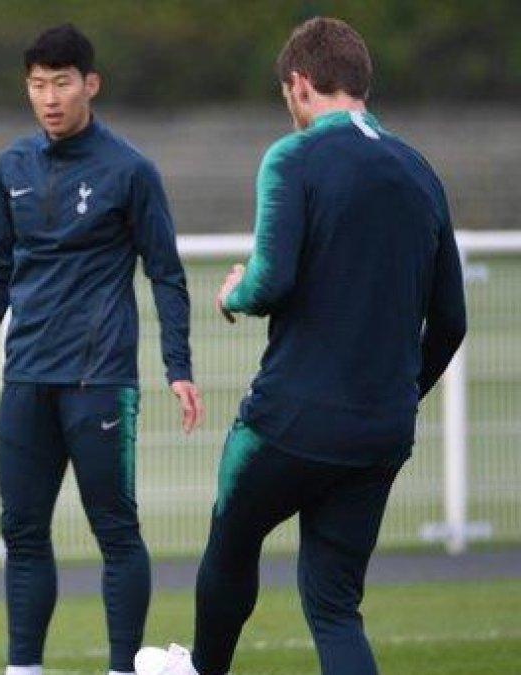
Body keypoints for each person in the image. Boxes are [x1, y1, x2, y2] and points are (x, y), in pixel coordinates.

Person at [133, 17, 468, 675]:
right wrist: (397, 394)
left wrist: (232, 291)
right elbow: (451, 321)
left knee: (232, 542)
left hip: (291, 419)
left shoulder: (295, 156)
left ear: (299, 83)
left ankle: (203, 668)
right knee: (336, 605)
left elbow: (271, 279)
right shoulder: (420, 171)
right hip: (380, 430)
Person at [0, 23, 202, 675]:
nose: (49, 97)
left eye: (61, 82)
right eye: (37, 84)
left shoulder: (130, 170)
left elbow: (166, 271)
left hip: (100, 380)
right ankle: (23, 667)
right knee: (22, 531)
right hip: (25, 377)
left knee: (115, 531)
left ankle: (122, 667)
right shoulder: (13, 167)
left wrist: (178, 366)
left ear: (91, 84)